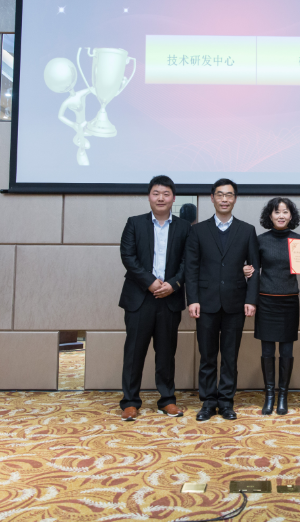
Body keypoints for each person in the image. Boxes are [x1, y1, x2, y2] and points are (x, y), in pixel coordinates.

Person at [184, 179, 260, 421]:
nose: (224, 199)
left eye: (229, 195)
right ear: (212, 198)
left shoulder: (247, 230)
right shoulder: (197, 230)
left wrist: (251, 299)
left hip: (235, 302)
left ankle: (226, 401)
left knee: (230, 356)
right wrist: (192, 299)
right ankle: (208, 402)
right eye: (220, 194)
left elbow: (254, 269)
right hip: (205, 303)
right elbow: (191, 268)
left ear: (235, 198)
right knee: (207, 356)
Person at [118, 175, 192, 421]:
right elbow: (128, 257)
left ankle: (167, 400)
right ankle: (130, 402)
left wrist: (174, 284)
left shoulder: (184, 227)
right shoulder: (134, 223)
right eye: (156, 193)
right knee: (134, 352)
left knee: (166, 353)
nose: (161, 198)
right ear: (149, 196)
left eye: (166, 194)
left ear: (173, 198)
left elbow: (188, 262)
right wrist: (150, 282)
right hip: (140, 297)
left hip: (169, 298)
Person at [242, 198, 300, 415]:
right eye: (277, 212)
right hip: (266, 301)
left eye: (285, 212)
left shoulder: (299, 241)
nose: (281, 216)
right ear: (270, 216)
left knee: (287, 350)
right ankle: (269, 395)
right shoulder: (260, 240)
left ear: (291, 216)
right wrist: (245, 271)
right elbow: (252, 271)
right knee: (267, 350)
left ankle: (283, 396)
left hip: (289, 301)